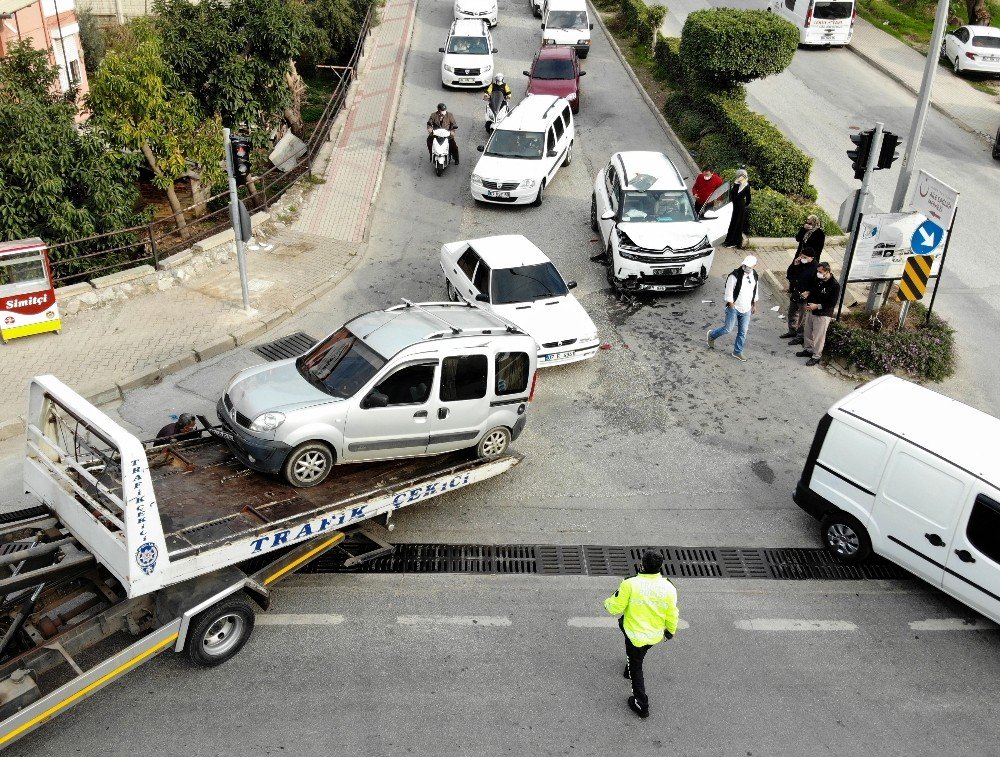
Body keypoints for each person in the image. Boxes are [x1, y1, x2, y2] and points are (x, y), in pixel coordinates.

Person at [604, 550, 679, 719]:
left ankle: (641, 703)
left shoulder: (630, 583)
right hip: (654, 635)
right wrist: (671, 631)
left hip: (634, 635)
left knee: (636, 665)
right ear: (661, 566)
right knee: (637, 656)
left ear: (642, 564)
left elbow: (615, 607)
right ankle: (628, 669)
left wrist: (607, 603)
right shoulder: (669, 587)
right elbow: (672, 613)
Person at [707, 255, 759, 362]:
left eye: (749, 266)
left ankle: (737, 351)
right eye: (745, 265)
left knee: (743, 332)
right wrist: (731, 304)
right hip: (734, 307)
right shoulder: (734, 276)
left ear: (754, 266)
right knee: (728, 329)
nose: (746, 267)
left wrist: (754, 304)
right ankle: (712, 335)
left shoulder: (754, 275)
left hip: (747, 308)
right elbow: (729, 290)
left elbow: (755, 290)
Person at [796, 262, 841, 366]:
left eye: (820, 272)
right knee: (808, 331)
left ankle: (816, 356)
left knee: (818, 336)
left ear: (828, 271)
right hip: (811, 310)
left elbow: (831, 303)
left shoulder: (834, 285)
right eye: (817, 271)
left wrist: (817, 306)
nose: (818, 273)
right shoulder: (819, 280)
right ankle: (808, 350)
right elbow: (813, 289)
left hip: (823, 314)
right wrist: (808, 293)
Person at [780, 248, 818, 340]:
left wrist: (809, 292)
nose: (802, 258)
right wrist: (794, 265)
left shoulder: (815, 268)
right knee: (791, 313)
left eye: (805, 257)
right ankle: (792, 331)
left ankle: (800, 336)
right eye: (801, 256)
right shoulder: (800, 263)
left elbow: (816, 284)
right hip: (796, 292)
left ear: (811, 258)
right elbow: (790, 275)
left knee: (803, 317)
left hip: (806, 296)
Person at [723, 169, 751, 249]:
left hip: (740, 207)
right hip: (734, 206)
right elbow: (732, 195)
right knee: (732, 223)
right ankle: (728, 240)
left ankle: (734, 242)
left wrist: (745, 205)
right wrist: (736, 184)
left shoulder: (746, 185)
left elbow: (748, 198)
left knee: (737, 224)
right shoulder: (736, 184)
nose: (740, 178)